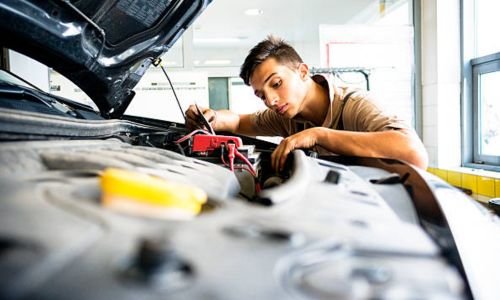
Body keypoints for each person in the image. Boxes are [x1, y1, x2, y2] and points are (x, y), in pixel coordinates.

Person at [185, 35, 428, 171]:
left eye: (276, 83)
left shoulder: (356, 105)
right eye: (261, 95)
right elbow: (238, 121)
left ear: (302, 71)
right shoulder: (285, 116)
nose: (270, 100)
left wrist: (319, 135)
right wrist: (212, 117)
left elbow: (414, 153)